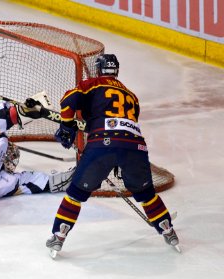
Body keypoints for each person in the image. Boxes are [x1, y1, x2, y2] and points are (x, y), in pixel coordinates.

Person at [44, 53, 179, 257]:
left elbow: (68, 100)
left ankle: (59, 236)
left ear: (99, 69)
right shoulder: (131, 95)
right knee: (146, 195)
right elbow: (127, 123)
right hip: (135, 147)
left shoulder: (92, 84)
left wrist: (67, 125)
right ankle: (169, 231)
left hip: (101, 145)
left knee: (75, 195)